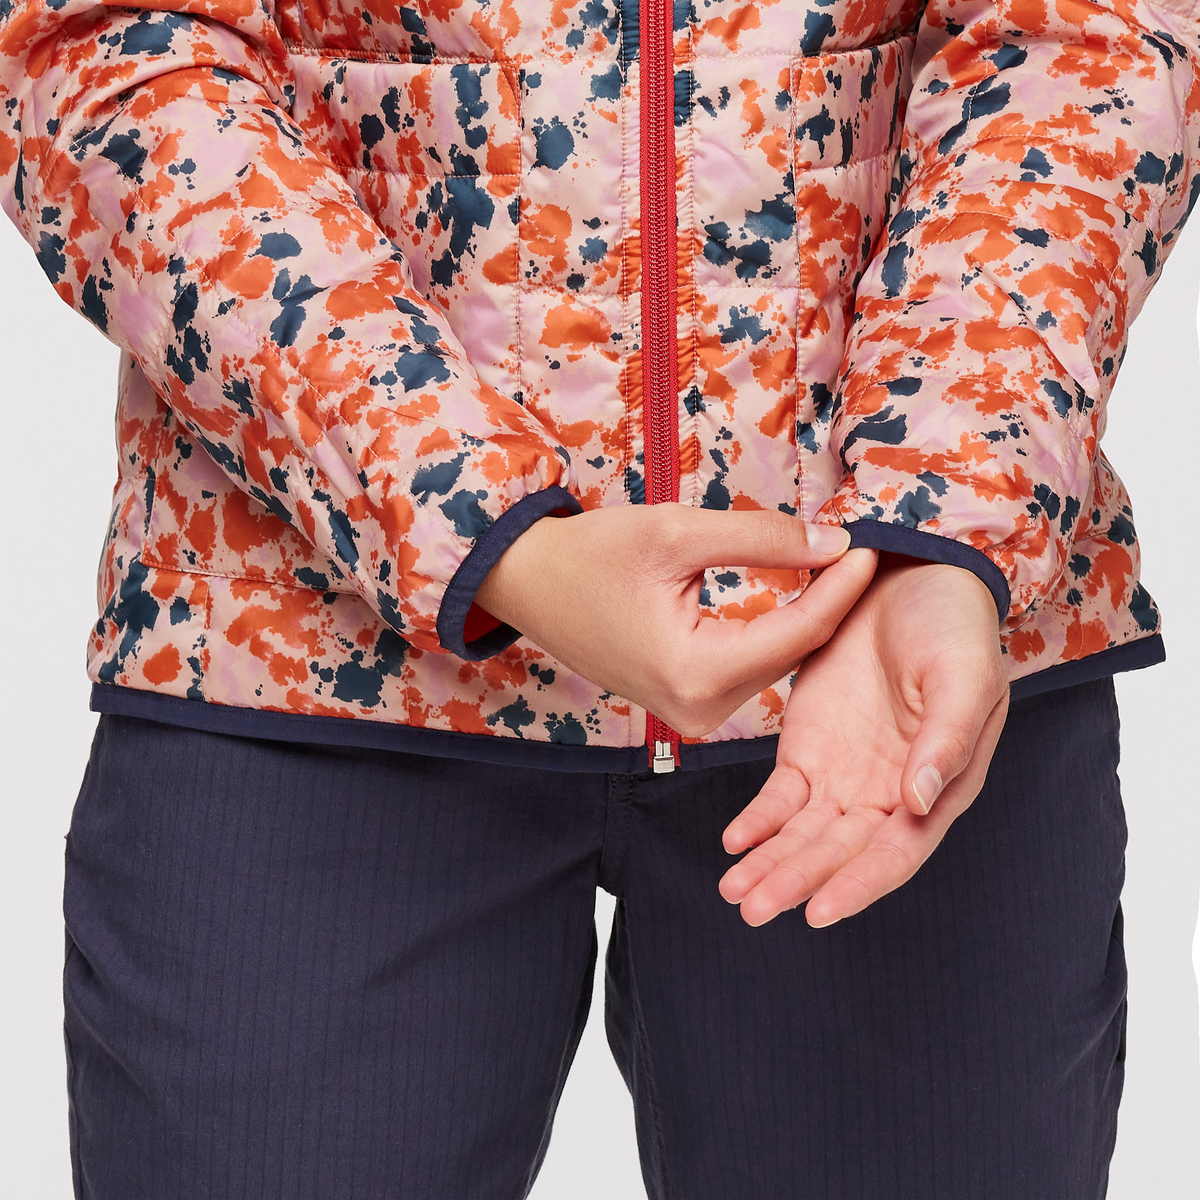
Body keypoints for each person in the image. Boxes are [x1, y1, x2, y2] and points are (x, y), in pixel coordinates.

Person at [1, 0, 1196, 1196]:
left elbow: (1090, 37)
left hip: (894, 653)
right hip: (309, 641)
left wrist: (941, 518)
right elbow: (103, 47)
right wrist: (471, 518)